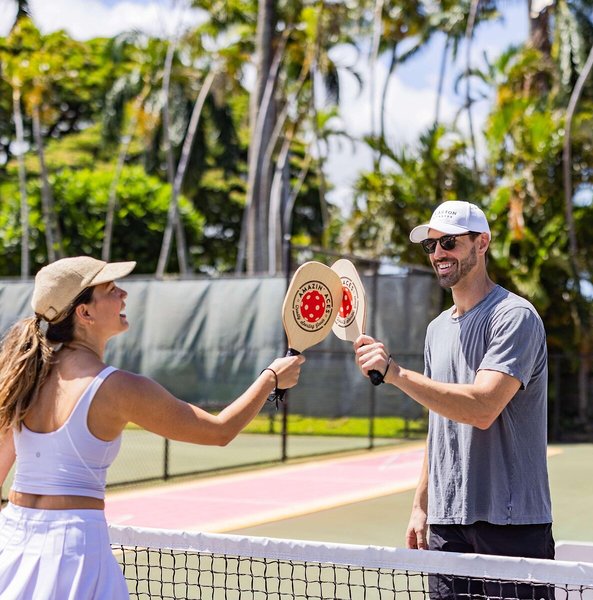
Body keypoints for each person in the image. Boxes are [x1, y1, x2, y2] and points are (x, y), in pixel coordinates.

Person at [0, 256, 304, 599]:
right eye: (111, 289)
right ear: (84, 313)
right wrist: (271, 378)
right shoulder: (118, 388)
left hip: (12, 536)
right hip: (75, 550)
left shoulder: (21, 377)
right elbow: (219, 430)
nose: (124, 294)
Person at [354, 201, 554, 599]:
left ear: (482, 243)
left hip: (511, 526)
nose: (439, 254)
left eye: (449, 242)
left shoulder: (515, 317)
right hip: (447, 526)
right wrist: (422, 505)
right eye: (431, 246)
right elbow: (439, 424)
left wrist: (395, 373)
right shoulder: (436, 330)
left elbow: (482, 408)